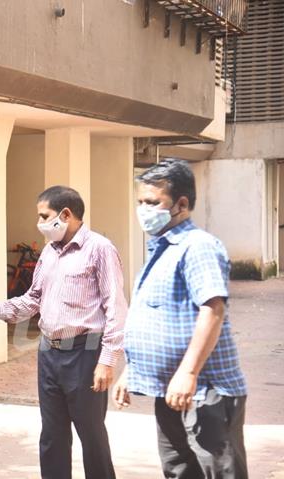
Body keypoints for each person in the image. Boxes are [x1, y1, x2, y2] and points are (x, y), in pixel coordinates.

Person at [0, 186, 126, 479]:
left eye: (44, 216)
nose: (40, 223)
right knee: (52, 435)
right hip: (49, 353)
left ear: (66, 214)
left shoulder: (100, 249)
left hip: (85, 353)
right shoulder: (49, 251)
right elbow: (33, 299)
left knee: (92, 435)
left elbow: (116, 307)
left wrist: (108, 359)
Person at [113, 159, 248, 479]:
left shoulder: (197, 246)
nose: (143, 210)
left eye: (152, 202)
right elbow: (155, 317)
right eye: (140, 202)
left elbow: (212, 309)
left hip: (204, 390)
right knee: (178, 470)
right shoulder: (161, 249)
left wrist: (188, 373)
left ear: (182, 204)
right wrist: (131, 371)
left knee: (216, 471)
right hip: (168, 389)